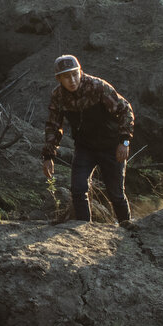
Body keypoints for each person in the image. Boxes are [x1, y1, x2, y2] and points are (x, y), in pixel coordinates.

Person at [40, 54, 134, 224]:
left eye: (75, 74)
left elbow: (125, 110)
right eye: (66, 77)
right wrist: (48, 156)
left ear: (80, 72)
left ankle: (128, 231)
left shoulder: (97, 87)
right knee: (78, 189)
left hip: (111, 146)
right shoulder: (58, 96)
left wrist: (124, 141)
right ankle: (83, 228)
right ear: (59, 78)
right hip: (85, 148)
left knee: (116, 194)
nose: (72, 80)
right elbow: (53, 125)